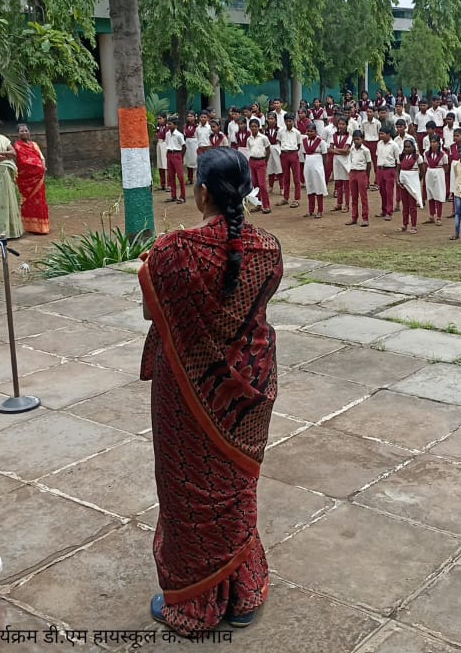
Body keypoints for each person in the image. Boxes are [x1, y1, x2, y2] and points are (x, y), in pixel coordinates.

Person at [139, 146, 280, 638]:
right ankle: (243, 592)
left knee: (189, 490)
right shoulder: (268, 247)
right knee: (235, 486)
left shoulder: (175, 252)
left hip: (191, 393)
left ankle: (197, 600)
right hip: (249, 391)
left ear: (201, 193)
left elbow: (151, 307)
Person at [11, 124, 50, 235]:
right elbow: (23, 162)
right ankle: (31, 227)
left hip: (39, 178)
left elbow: (41, 158)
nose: (24, 132)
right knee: (29, 202)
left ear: (29, 132)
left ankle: (42, 227)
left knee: (40, 201)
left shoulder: (34, 145)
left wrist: (42, 168)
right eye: (21, 131)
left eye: (26, 130)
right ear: (18, 134)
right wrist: (38, 167)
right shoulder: (17, 146)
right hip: (26, 180)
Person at [300, 124, 328, 219]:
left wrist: (322, 166)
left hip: (317, 164)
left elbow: (325, 155)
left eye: (311, 131)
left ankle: (320, 210)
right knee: (310, 186)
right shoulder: (304, 141)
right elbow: (304, 154)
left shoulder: (321, 142)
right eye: (308, 131)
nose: (309, 133)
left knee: (318, 187)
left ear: (315, 131)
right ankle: (310, 210)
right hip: (308, 164)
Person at [345, 130, 371, 227]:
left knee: (363, 197)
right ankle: (354, 217)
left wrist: (367, 177)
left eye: (358, 139)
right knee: (354, 197)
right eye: (354, 139)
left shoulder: (366, 150)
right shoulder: (351, 150)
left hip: (361, 173)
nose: (356, 141)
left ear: (362, 139)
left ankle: (365, 218)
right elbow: (350, 160)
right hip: (353, 172)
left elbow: (369, 164)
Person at [398, 138, 423, 233]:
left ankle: (413, 225)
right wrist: (398, 179)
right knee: (404, 205)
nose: (407, 149)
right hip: (403, 182)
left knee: (412, 205)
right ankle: (404, 224)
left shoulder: (417, 157)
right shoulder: (401, 156)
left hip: (412, 182)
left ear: (413, 147)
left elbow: (422, 170)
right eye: (405, 147)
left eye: (409, 147)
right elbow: (398, 168)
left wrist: (416, 180)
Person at [164, 118, 188, 203]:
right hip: (170, 154)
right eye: (168, 124)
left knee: (180, 176)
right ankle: (173, 195)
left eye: (170, 124)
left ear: (175, 125)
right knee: (171, 176)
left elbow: (184, 147)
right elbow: (167, 144)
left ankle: (183, 196)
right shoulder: (167, 134)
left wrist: (181, 157)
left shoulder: (179, 135)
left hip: (177, 154)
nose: (168, 126)